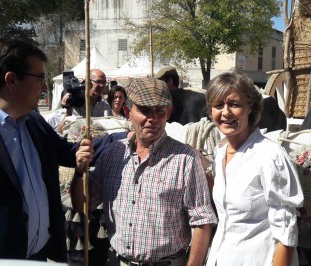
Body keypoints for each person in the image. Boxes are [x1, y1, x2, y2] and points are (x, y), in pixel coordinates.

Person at [0, 37, 126, 261]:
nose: (44, 88)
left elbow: (70, 153)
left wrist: (125, 137)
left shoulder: (32, 121)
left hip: (38, 256)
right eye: (40, 78)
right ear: (11, 80)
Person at [72, 76, 217, 266]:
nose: (152, 119)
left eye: (159, 111)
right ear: (127, 111)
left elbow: (202, 223)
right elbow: (82, 204)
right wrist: (80, 171)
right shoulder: (112, 154)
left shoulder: (186, 160)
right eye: (144, 110)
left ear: (169, 112)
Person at [204, 71, 304, 266]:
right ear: (210, 111)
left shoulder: (270, 156)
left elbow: (286, 231)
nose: (225, 113)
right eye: (218, 105)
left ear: (250, 106)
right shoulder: (220, 151)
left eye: (234, 104)